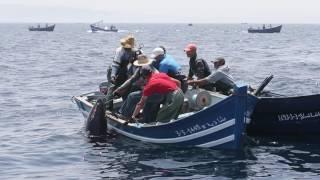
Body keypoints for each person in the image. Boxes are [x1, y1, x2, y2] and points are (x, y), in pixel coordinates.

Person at [114, 55, 158, 119]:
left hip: (154, 91)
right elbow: (132, 79)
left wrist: (143, 87)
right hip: (147, 88)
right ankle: (126, 111)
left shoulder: (154, 72)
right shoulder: (140, 69)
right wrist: (119, 89)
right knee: (130, 89)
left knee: (132, 96)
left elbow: (152, 85)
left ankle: (124, 115)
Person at [105, 35, 138, 110]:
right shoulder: (120, 51)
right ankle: (108, 107)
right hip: (114, 70)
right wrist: (113, 75)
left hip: (124, 70)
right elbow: (115, 65)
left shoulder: (135, 51)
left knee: (126, 88)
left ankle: (125, 108)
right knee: (112, 87)